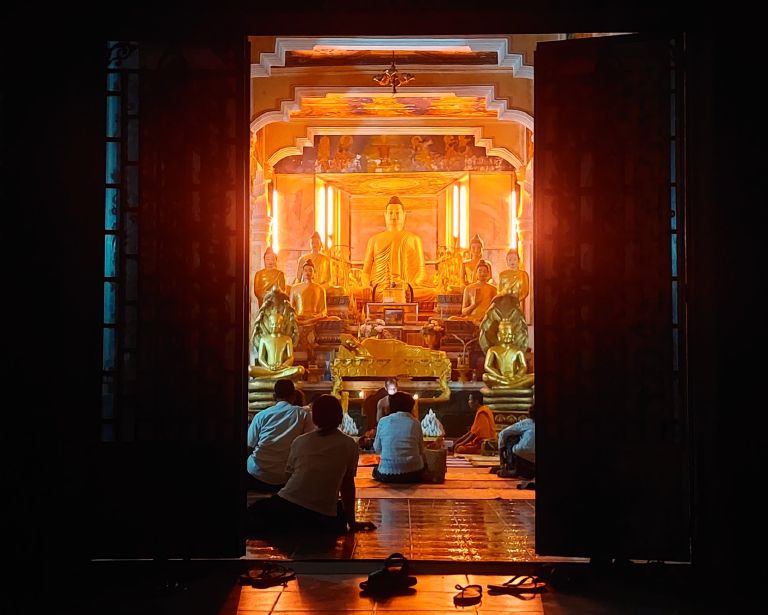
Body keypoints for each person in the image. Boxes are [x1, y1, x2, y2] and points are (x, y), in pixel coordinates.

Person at [247, 394, 377, 534]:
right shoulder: (349, 444)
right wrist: (352, 522)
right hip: (322, 516)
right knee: (337, 515)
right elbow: (347, 486)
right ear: (340, 417)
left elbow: (287, 478)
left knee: (252, 514)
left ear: (314, 417)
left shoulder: (300, 441)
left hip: (288, 505)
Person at [246, 379, 314, 492]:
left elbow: (249, 446)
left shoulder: (261, 415)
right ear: (293, 396)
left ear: (274, 396)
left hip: (256, 474)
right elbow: (310, 443)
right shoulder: (303, 414)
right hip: (286, 477)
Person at [361, 196, 428, 296]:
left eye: (397, 213)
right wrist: (366, 285)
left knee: (432, 293)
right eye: (390, 213)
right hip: (379, 291)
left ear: (404, 215)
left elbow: (422, 272)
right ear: (385, 215)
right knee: (353, 293)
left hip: (406, 291)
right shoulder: (374, 240)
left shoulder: (414, 239)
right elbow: (365, 272)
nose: (394, 216)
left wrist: (410, 286)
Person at [372, 392, 426, 483]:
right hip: (414, 473)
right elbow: (421, 450)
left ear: (391, 406)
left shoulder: (383, 421)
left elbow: (377, 449)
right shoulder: (415, 423)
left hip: (387, 474)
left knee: (375, 471)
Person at [249, 304, 304, 380]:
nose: (275, 326)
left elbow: (290, 357)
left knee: (300, 369)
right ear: (269, 324)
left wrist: (283, 366)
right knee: (250, 369)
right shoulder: (264, 339)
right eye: (273, 324)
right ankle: (277, 376)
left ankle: (270, 377)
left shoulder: (287, 339)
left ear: (281, 325)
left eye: (277, 324)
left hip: (282, 369)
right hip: (268, 369)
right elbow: (261, 358)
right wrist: (268, 367)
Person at [482, 318, 535, 389]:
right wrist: (499, 375)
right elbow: (487, 366)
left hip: (514, 378)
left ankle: (504, 386)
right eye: (504, 334)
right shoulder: (492, 350)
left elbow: (523, 366)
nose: (507, 336)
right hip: (500, 377)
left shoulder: (518, 351)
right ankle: (512, 385)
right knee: (486, 377)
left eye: (509, 334)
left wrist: (517, 376)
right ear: (499, 335)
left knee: (533, 377)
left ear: (513, 336)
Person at [497, 407, 535, 482]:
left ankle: (513, 469)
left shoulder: (527, 422)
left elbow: (503, 433)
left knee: (511, 437)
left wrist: (501, 459)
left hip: (522, 456)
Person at [289, 259, 333, 325]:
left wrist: (314, 317)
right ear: (302, 272)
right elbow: (290, 308)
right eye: (305, 270)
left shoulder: (320, 289)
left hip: (314, 320)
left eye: (310, 270)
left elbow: (324, 311)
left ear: (314, 273)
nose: (308, 273)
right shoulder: (294, 288)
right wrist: (296, 317)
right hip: (299, 319)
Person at [453, 391, 496, 455]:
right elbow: (471, 432)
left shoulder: (482, 412)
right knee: (459, 447)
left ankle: (482, 451)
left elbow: (474, 434)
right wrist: (457, 442)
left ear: (476, 401)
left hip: (485, 443)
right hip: (480, 442)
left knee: (460, 449)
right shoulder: (481, 410)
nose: (468, 402)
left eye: (470, 399)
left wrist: (460, 444)